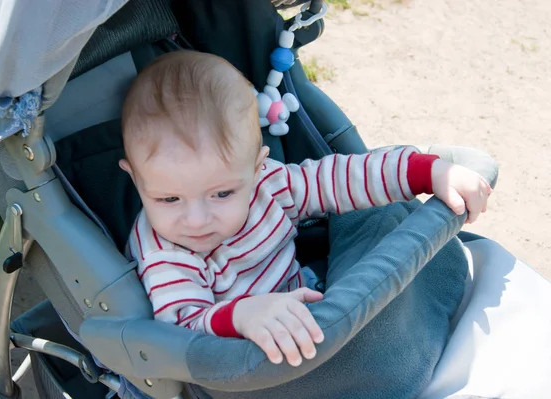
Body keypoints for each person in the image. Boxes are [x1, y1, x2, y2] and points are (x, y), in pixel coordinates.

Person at [119, 50, 491, 368]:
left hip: (309, 299)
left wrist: (426, 172)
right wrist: (242, 315)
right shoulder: (165, 252)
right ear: (136, 180)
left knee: (386, 220)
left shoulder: (269, 185)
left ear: (257, 167)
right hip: (249, 359)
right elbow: (180, 329)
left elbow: (339, 177)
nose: (197, 220)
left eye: (221, 194)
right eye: (169, 199)